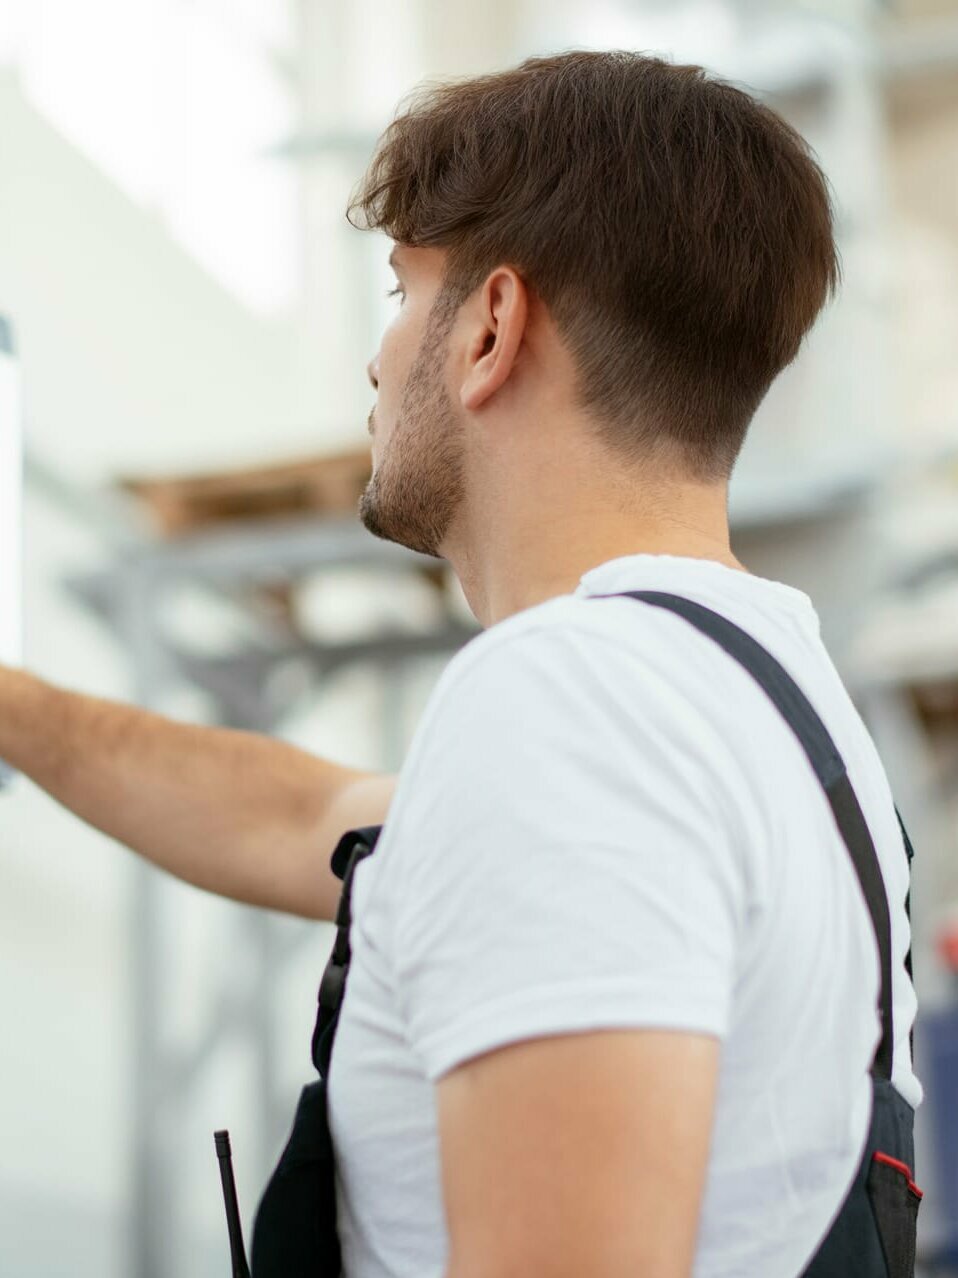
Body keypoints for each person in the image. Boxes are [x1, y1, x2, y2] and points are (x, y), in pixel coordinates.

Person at [0, 49, 919, 1278]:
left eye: (399, 290)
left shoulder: (569, 704)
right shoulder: (762, 715)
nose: (376, 360)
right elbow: (308, 818)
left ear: (490, 324)